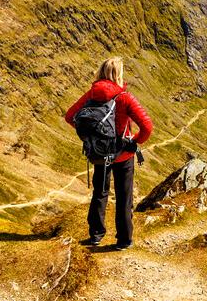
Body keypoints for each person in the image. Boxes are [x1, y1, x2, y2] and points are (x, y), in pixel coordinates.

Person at [64, 56, 153, 250]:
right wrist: (134, 141)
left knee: (100, 192)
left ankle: (96, 235)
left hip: (100, 155)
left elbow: (70, 117)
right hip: (123, 155)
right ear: (119, 75)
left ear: (101, 72)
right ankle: (124, 240)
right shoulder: (125, 97)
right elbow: (147, 126)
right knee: (124, 197)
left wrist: (91, 137)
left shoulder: (91, 95)